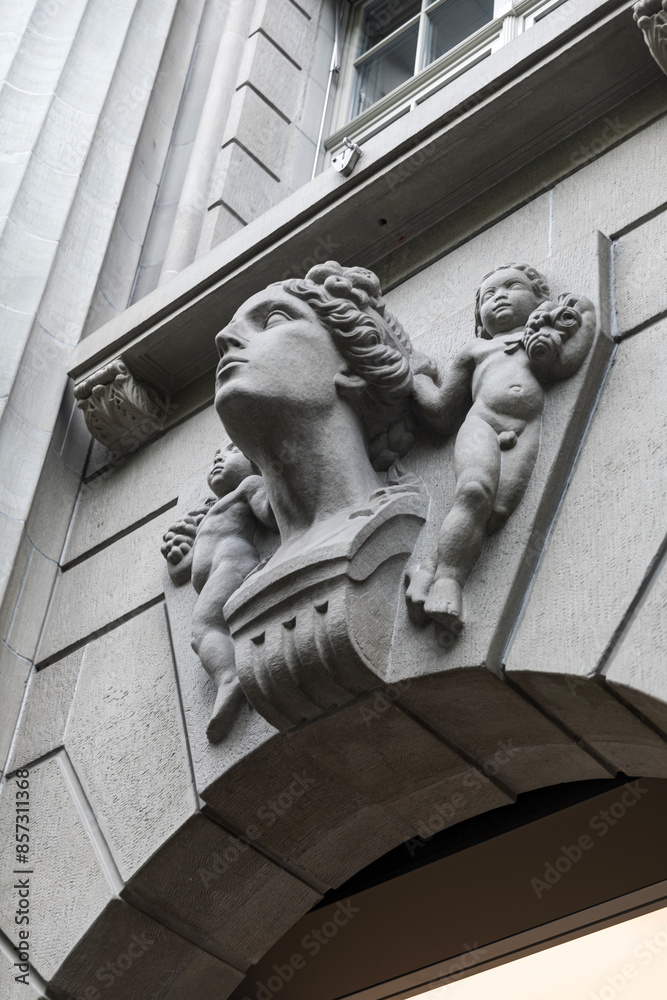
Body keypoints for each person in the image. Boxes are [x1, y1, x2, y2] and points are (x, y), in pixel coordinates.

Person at [405, 263, 595, 645]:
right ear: (479, 319)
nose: (500, 296)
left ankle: (426, 568)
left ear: (541, 299)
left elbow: (569, 360)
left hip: (524, 431)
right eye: (488, 295)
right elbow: (442, 412)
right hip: (482, 425)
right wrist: (416, 376)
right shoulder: (476, 349)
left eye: (512, 287)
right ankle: (448, 583)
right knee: (474, 490)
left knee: (495, 512)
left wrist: (579, 314)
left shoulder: (540, 339)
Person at [161, 443, 276, 741]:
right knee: (201, 633)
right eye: (216, 455)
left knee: (204, 628)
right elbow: (181, 572)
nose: (219, 457)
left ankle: (230, 676)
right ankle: (230, 674)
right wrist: (177, 554)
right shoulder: (209, 512)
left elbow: (271, 515)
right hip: (216, 574)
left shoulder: (249, 485)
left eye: (233, 450)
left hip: (233, 562)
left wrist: (278, 478)